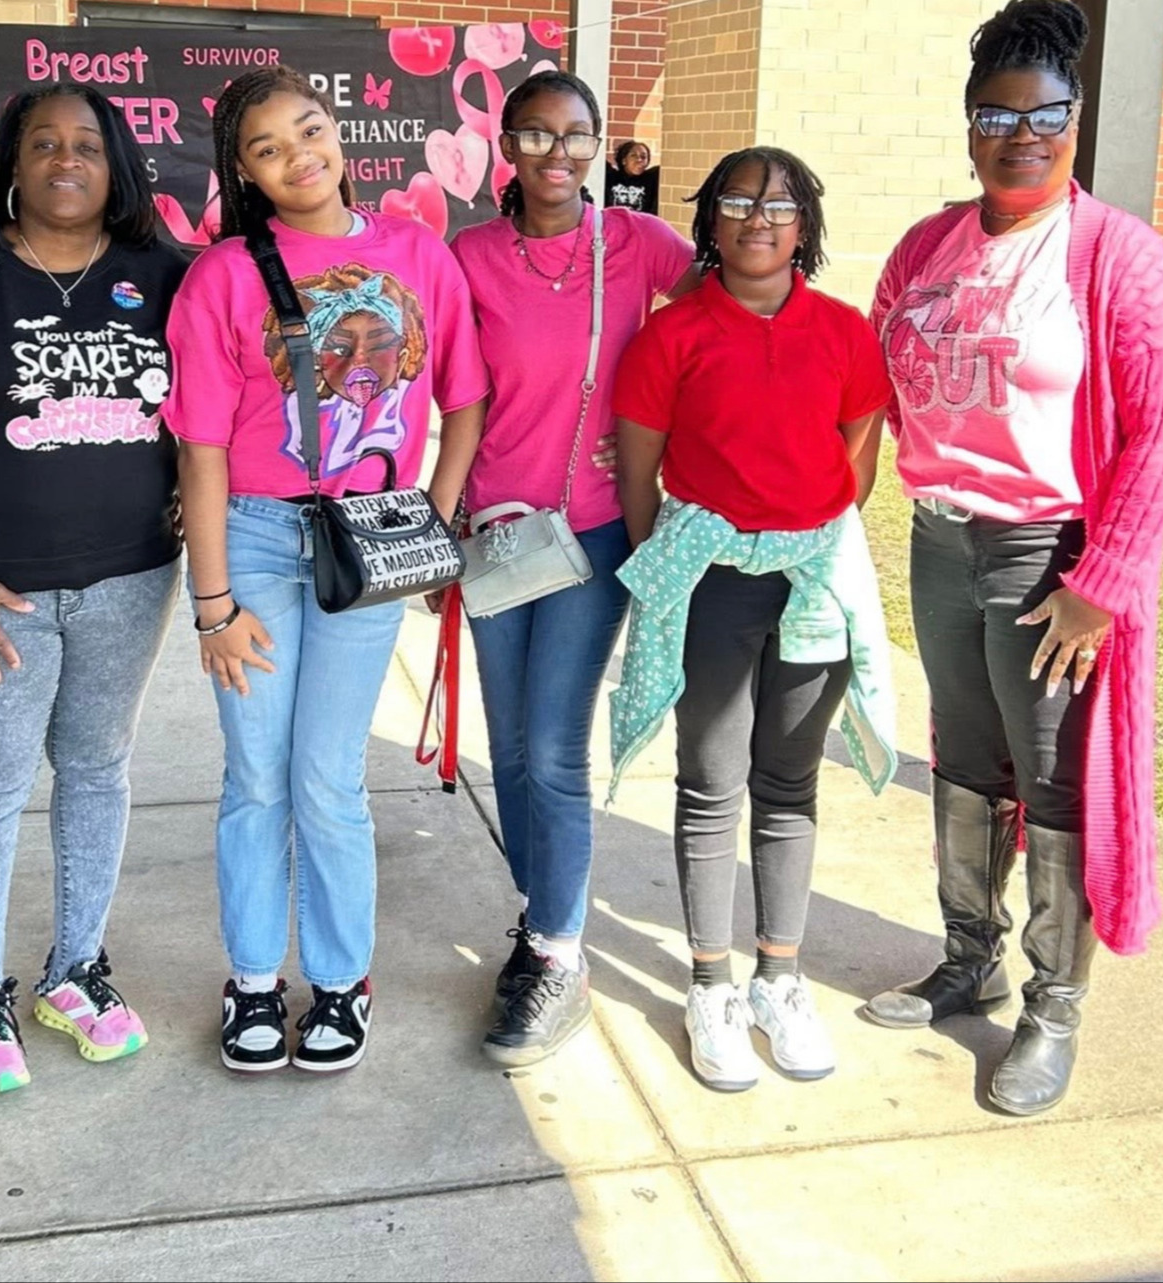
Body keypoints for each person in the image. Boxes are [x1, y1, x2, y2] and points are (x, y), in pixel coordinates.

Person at [865, 0, 1163, 1116]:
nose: (1021, 133)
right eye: (996, 112)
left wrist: (1099, 586)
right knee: (961, 758)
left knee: (1049, 780)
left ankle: (1051, 1003)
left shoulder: (1117, 256)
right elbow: (881, 358)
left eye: (1046, 112)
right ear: (966, 123)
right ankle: (964, 954)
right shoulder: (925, 245)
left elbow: (1155, 429)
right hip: (943, 539)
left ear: (1074, 120)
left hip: (1049, 556)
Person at [163, 66, 487, 1075]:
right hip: (256, 540)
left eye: (309, 129)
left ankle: (340, 981)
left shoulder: (416, 256)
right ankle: (254, 977)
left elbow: (463, 400)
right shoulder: (222, 277)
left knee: (327, 777)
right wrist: (212, 605)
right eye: (267, 147)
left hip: (368, 537)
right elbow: (202, 450)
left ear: (337, 132)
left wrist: (424, 527)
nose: (298, 156)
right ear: (245, 171)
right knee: (256, 773)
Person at [0, 86, 186, 1095]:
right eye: (44, 143)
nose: (66, 160)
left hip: (129, 581)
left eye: (88, 146)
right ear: (12, 160)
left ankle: (75, 971)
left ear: (119, 166)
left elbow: (220, 404)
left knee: (97, 771)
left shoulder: (162, 274)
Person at [612, 147, 895, 1091]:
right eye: (735, 202)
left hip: (809, 578)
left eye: (778, 205)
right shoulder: (670, 336)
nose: (757, 219)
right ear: (709, 224)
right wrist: (685, 568)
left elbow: (858, 458)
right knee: (710, 779)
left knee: (788, 778)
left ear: (804, 224)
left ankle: (780, 975)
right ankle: (710, 984)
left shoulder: (846, 333)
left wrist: (804, 534)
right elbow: (639, 473)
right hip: (711, 579)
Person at [449, 71, 696, 1067]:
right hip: (494, 533)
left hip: (590, 530)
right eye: (538, 135)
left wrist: (663, 444)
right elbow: (433, 384)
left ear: (599, 147)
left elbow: (723, 322)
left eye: (577, 136)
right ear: (506, 143)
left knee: (552, 746)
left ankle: (559, 951)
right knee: (506, 745)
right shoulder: (467, 254)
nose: (557, 154)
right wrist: (432, 526)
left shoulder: (639, 247)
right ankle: (537, 914)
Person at [606, 140, 660, 216]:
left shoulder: (651, 179)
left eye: (643, 157)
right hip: (614, 224)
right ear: (624, 160)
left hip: (639, 225)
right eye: (633, 155)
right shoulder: (610, 176)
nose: (639, 160)